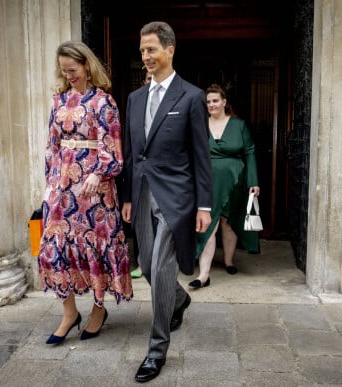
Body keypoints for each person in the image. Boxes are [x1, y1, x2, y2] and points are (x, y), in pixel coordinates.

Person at [121, 21, 213, 383]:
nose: (146, 57)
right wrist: (127, 196)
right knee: (144, 261)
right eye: (142, 51)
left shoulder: (191, 97)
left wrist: (204, 205)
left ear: (170, 50)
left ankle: (156, 350)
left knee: (160, 266)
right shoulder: (134, 99)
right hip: (142, 192)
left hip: (177, 196)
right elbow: (131, 154)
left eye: (152, 50)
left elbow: (201, 156)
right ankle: (178, 299)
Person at [37, 40, 133, 346]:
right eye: (64, 71)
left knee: (97, 250)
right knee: (53, 251)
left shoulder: (104, 102)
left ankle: (98, 309)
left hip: (95, 193)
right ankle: (69, 313)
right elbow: (52, 146)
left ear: (87, 66)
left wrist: (98, 173)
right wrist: (51, 183)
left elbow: (114, 150)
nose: (69, 76)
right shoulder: (57, 101)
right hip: (62, 188)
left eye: (73, 69)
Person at [189, 83, 260, 289]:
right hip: (207, 182)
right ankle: (204, 274)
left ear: (224, 102)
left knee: (228, 222)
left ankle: (229, 260)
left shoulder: (239, 125)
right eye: (208, 102)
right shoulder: (200, 124)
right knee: (209, 223)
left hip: (235, 181)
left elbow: (250, 152)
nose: (211, 104)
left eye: (215, 101)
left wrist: (253, 181)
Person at [130, 70, 153, 280]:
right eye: (148, 78)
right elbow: (129, 150)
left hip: (166, 183)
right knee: (141, 226)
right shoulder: (134, 101)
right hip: (140, 182)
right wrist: (128, 196)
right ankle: (140, 262)